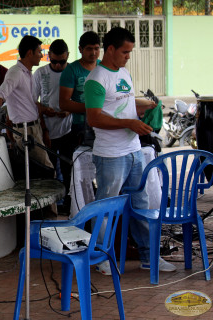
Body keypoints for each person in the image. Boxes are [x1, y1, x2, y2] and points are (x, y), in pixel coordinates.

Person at [84, 27, 176, 276]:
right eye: (125, 51)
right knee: (105, 208)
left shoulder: (123, 72)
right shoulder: (96, 79)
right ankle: (100, 258)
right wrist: (128, 122)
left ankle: (149, 257)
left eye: (130, 52)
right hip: (111, 154)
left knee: (142, 205)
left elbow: (123, 104)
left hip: (134, 150)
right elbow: (93, 118)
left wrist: (142, 110)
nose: (128, 56)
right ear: (110, 49)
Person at [0, 35, 54, 171]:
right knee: (47, 170)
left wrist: (45, 110)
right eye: (39, 52)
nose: (41, 55)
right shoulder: (16, 72)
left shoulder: (27, 73)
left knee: (38, 173)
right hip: (26, 131)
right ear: (30, 53)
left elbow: (29, 102)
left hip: (33, 128)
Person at [33, 39, 74, 211]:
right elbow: (33, 102)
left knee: (68, 168)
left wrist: (69, 110)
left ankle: (69, 203)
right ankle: (50, 207)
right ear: (48, 56)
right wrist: (43, 110)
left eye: (62, 62)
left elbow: (81, 100)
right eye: (54, 61)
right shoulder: (40, 73)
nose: (57, 65)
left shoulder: (72, 72)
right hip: (46, 130)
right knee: (48, 171)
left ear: (68, 57)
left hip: (68, 130)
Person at [59, 31, 100, 145]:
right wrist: (92, 108)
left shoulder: (104, 67)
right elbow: (64, 103)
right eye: (89, 49)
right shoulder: (71, 70)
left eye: (96, 48)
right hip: (81, 126)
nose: (93, 52)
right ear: (80, 49)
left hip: (104, 123)